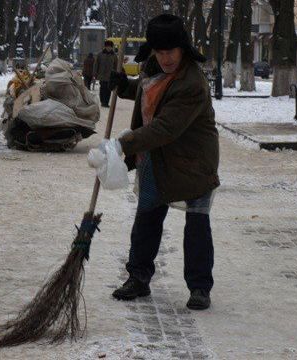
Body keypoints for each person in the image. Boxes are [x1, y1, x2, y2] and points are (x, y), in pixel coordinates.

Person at [89, 14, 219, 310]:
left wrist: (122, 143)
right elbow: (149, 91)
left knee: (197, 224)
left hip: (192, 162)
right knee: (147, 218)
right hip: (156, 159)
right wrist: (124, 86)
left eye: (171, 51)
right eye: (160, 52)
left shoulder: (192, 83)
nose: (166, 58)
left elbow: (165, 128)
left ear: (183, 49)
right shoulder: (153, 68)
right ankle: (138, 278)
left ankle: (200, 287)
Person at [94, 40, 118, 107]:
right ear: (105, 47)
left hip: (110, 76)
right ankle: (102, 101)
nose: (108, 48)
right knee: (102, 88)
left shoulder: (114, 55)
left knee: (108, 89)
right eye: (107, 46)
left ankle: (106, 102)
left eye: (110, 47)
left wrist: (116, 74)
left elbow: (116, 65)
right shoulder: (100, 54)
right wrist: (95, 73)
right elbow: (96, 64)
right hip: (101, 75)